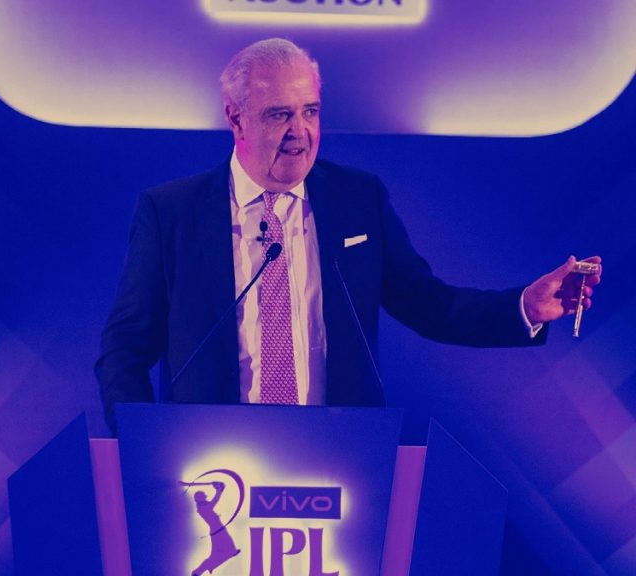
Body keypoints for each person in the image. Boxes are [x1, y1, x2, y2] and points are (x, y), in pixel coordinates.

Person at [95, 38, 602, 433]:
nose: (300, 131)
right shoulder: (172, 213)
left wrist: (524, 307)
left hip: (339, 456)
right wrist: (141, 444)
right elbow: (124, 347)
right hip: (210, 462)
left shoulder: (357, 200)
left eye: (310, 111)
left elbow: (430, 305)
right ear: (236, 118)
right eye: (279, 114)